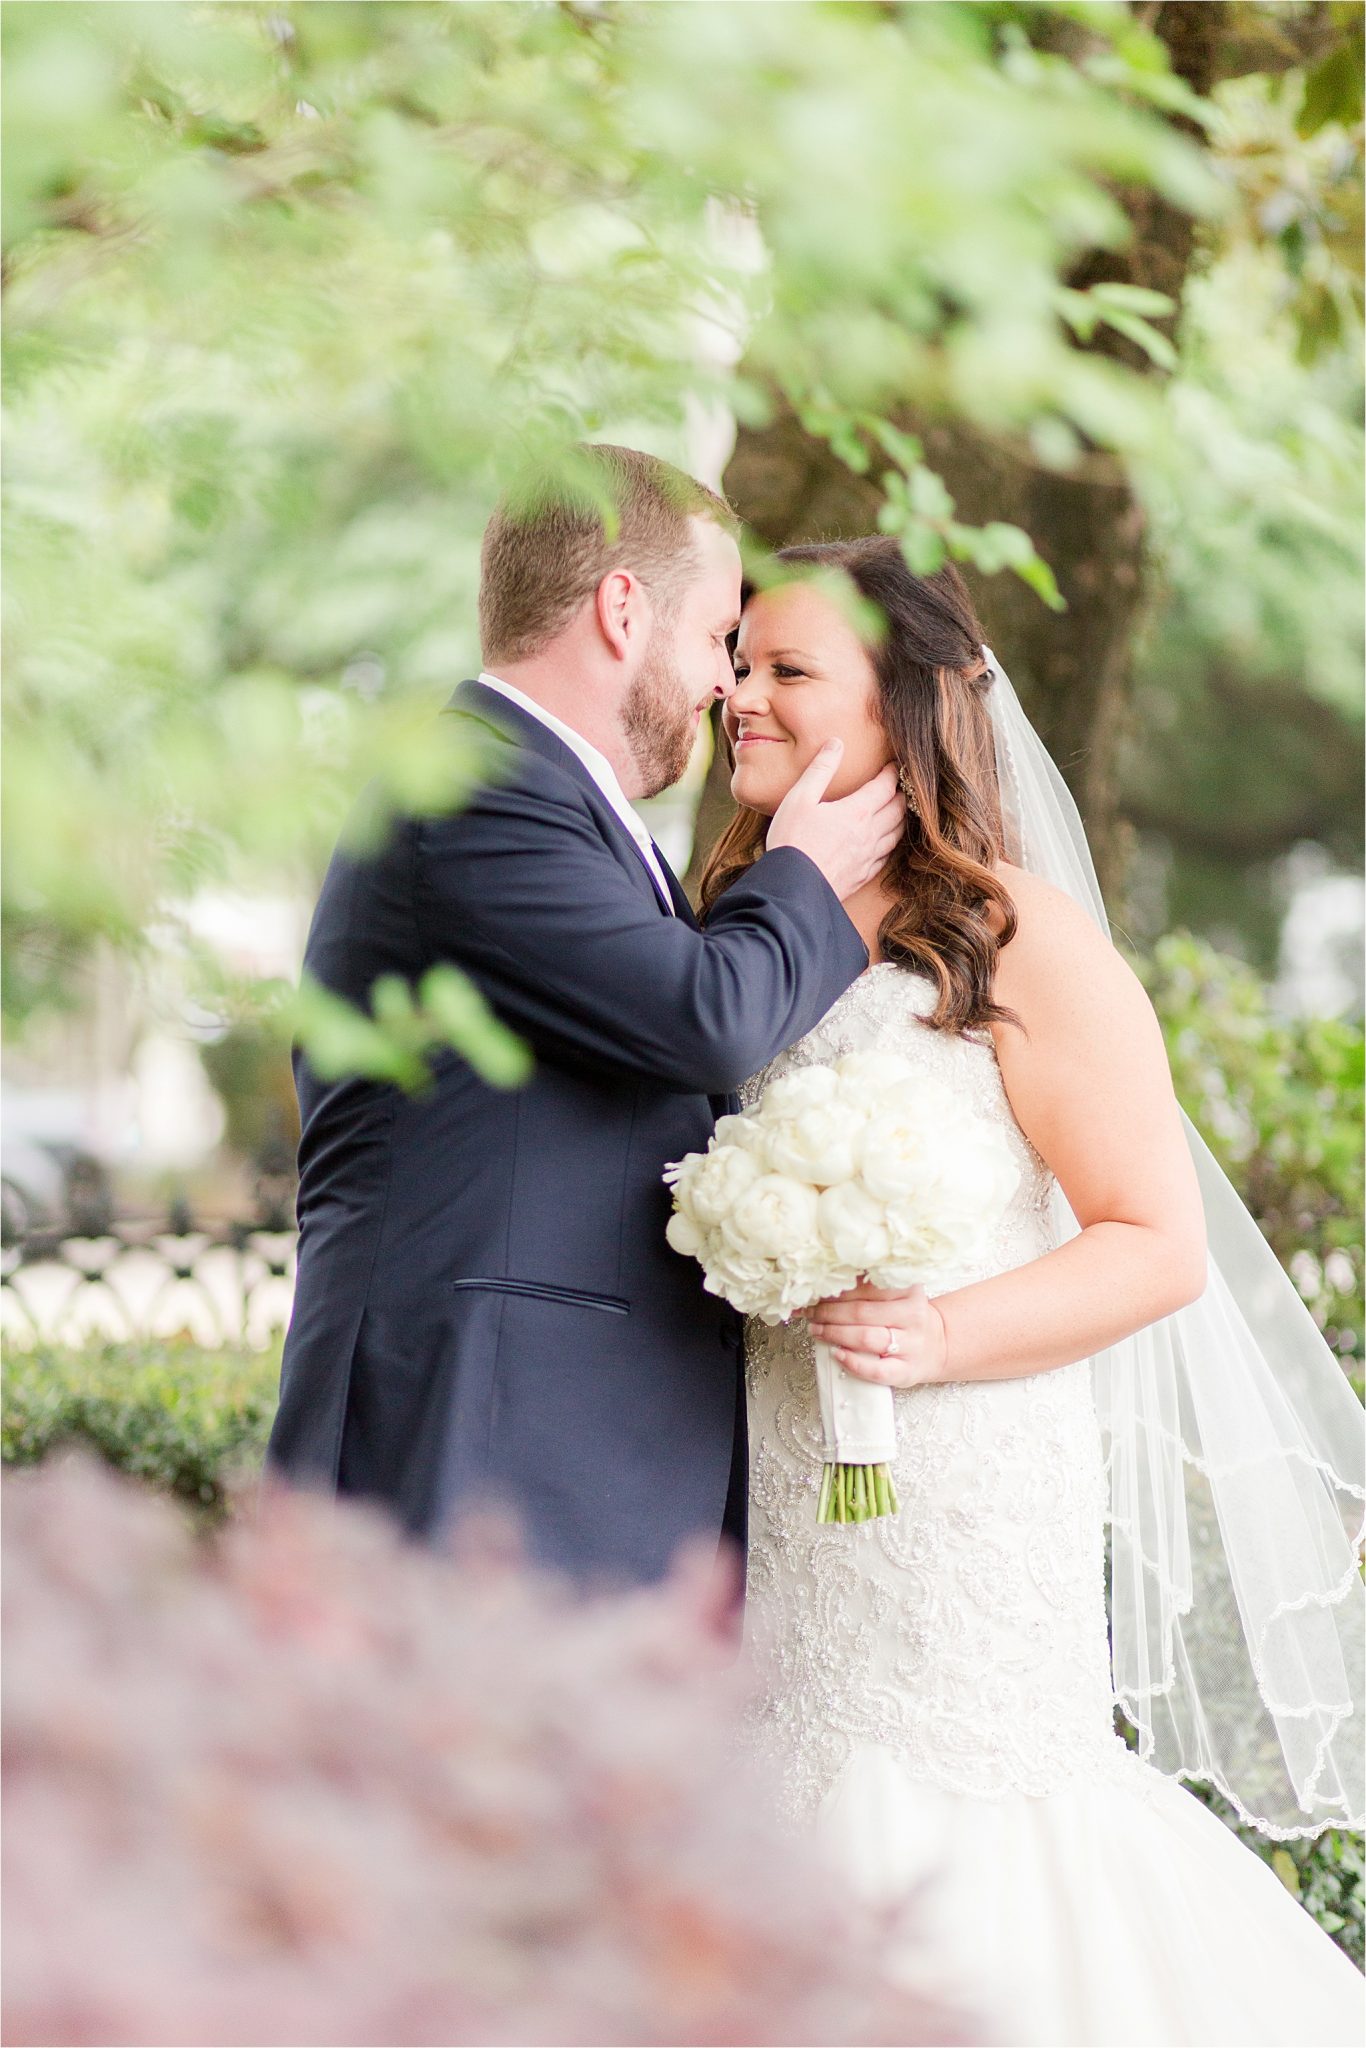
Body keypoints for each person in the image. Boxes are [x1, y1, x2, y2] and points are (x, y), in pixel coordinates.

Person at [709, 537, 1364, 2045]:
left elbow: (1153, 1239)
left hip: (962, 1495)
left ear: (904, 707)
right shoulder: (736, 924)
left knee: (966, 1841)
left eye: (786, 670)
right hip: (787, 1515)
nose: (738, 696)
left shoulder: (1014, 935)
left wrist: (936, 1335)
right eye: (737, 665)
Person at [264, 447, 904, 1591]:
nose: (725, 684)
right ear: (622, 608)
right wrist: (803, 872)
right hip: (468, 1457)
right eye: (717, 638)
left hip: (544, 1459)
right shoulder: (473, 789)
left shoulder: (551, 804)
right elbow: (704, 1017)